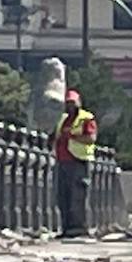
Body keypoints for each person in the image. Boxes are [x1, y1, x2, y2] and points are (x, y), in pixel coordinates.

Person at [54, 88, 97, 237]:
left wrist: (72, 136)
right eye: (68, 103)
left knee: (78, 196)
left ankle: (79, 228)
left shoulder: (86, 118)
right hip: (62, 162)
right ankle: (66, 228)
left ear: (79, 102)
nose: (70, 106)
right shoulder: (63, 119)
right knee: (63, 196)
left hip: (79, 161)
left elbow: (91, 139)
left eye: (73, 102)